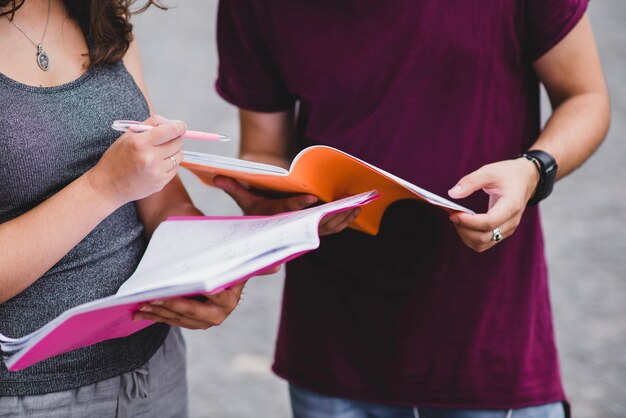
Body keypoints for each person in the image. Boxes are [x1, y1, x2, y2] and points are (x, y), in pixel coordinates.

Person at [212, 0, 610, 417]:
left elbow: (585, 97)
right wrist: (280, 207)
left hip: (486, 334)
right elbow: (263, 147)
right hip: (333, 341)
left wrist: (532, 172)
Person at [0, 1, 253, 416]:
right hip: (30, 396)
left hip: (153, 368)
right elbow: (118, 181)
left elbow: (154, 193)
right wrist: (101, 188)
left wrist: (209, 264)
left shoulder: (97, 11)